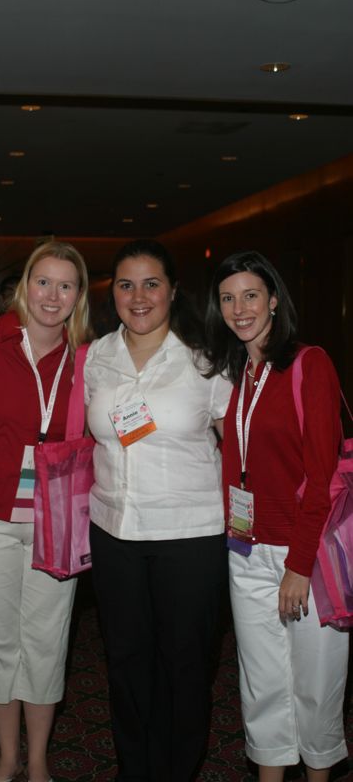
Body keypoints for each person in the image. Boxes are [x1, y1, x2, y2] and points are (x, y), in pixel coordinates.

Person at [84, 239, 232, 782]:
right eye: (126, 284)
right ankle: (136, 768)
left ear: (172, 290)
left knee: (185, 664)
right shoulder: (97, 356)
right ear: (113, 294)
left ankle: (177, 770)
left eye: (151, 283)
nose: (139, 296)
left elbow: (239, 441)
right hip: (113, 530)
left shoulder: (206, 356)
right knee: (125, 662)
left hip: (189, 536)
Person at [0, 240, 92, 782]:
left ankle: (38, 760)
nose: (52, 296)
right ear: (24, 286)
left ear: (79, 296)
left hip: (57, 521)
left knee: (47, 641)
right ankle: (7, 756)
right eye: (43, 282)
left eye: (66, 285)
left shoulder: (90, 359)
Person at [204, 250, 349, 782]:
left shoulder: (309, 364)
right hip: (245, 550)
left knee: (315, 683)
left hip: (302, 554)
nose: (239, 308)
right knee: (260, 684)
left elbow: (322, 475)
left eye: (250, 295)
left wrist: (300, 563)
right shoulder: (235, 373)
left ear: (273, 301)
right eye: (227, 298)